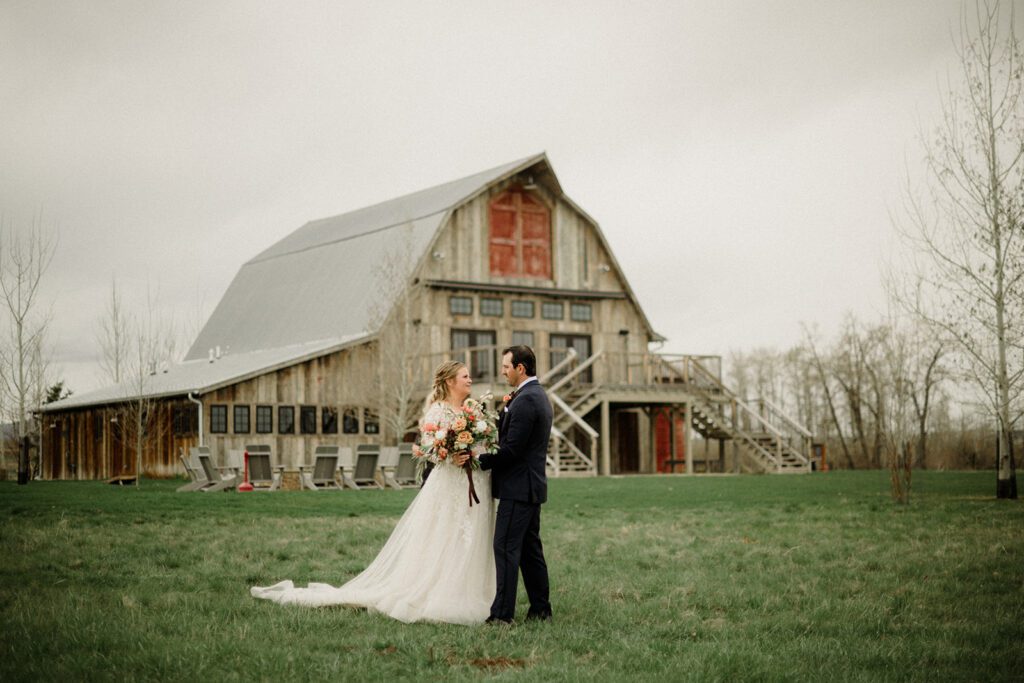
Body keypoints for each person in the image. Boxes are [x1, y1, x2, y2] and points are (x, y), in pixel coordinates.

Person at [250, 361, 496, 625]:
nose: (470, 380)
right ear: (450, 381)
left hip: (476, 482)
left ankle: (470, 589)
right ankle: (442, 593)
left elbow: (483, 443)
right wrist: (451, 457)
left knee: (470, 537)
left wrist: (474, 453)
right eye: (465, 376)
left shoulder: (473, 411)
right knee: (446, 537)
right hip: (450, 485)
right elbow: (430, 448)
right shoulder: (438, 411)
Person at [476, 345, 553, 624]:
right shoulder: (533, 396)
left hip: (519, 489)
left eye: (506, 367)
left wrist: (480, 461)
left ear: (521, 368)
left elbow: (512, 450)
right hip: (530, 487)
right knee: (530, 552)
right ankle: (541, 610)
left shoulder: (526, 400)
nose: (502, 371)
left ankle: (501, 616)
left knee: (506, 548)